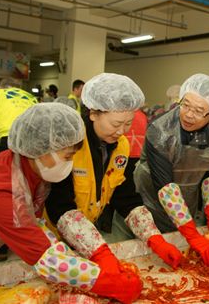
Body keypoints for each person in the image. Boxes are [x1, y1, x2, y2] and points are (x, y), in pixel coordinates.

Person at [0, 103, 142, 304]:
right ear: (42, 150)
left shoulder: (31, 172)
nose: (70, 164)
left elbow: (35, 226)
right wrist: (105, 282)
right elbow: (46, 260)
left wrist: (76, 259)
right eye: (67, 156)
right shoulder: (1, 189)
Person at [45, 73, 183, 270]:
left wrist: (154, 238)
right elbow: (58, 203)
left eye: (128, 124)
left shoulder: (120, 146)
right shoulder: (69, 144)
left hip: (86, 235)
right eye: (116, 124)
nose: (122, 131)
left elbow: (124, 195)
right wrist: (99, 251)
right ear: (93, 113)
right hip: (51, 237)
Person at [134, 73, 209, 267]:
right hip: (152, 201)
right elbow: (165, 185)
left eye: (198, 110)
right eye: (185, 105)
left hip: (186, 202)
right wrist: (192, 235)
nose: (188, 114)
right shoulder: (161, 130)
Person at [0, 77, 37, 155]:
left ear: (1, 87)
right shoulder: (31, 97)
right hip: (30, 141)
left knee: (3, 167)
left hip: (5, 138)